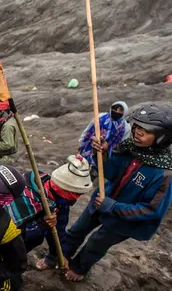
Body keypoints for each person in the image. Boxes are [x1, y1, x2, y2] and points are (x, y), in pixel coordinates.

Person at [62, 103, 172, 282]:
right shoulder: (129, 149)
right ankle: (60, 255)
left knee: (96, 243)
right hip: (101, 200)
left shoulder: (165, 174)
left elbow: (152, 210)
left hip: (124, 219)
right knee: (76, 230)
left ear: (162, 137)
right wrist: (104, 154)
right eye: (137, 127)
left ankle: (79, 267)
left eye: (146, 130)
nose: (137, 132)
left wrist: (113, 206)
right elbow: (110, 172)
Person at [6, 155, 91, 273]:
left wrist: (60, 254)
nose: (77, 198)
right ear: (61, 187)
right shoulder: (25, 194)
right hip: (9, 239)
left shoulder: (61, 201)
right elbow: (8, 230)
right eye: (75, 193)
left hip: (29, 240)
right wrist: (42, 224)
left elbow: (59, 229)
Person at [78, 101, 130, 166]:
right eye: (115, 108)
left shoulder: (125, 127)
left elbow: (122, 144)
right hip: (90, 146)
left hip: (107, 155)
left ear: (125, 112)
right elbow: (88, 130)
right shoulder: (100, 117)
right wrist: (80, 144)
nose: (117, 111)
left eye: (121, 110)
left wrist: (107, 149)